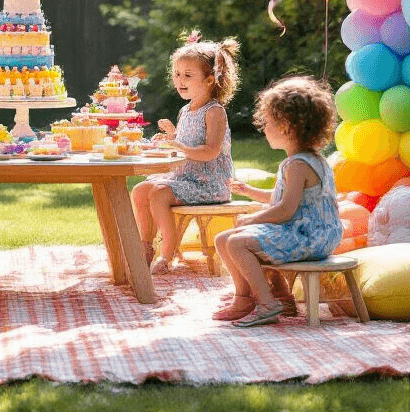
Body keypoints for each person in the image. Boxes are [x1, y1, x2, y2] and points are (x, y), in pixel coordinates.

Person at [214, 76, 344, 327]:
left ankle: (266, 303)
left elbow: (285, 210)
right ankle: (262, 297)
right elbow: (283, 199)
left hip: (309, 236)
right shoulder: (312, 159)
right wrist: (249, 191)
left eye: (269, 123)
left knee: (239, 242)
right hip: (314, 233)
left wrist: (252, 218)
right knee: (223, 239)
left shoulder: (297, 165)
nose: (264, 129)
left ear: (286, 126)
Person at [131, 32, 240, 275]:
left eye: (188, 75)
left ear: (210, 79)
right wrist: (170, 139)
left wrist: (180, 147)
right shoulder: (184, 111)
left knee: (159, 194)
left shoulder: (215, 112)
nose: (180, 80)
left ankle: (166, 255)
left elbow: (210, 152)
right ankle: (145, 246)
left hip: (209, 183)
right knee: (140, 190)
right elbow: (184, 144)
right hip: (184, 179)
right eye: (177, 74)